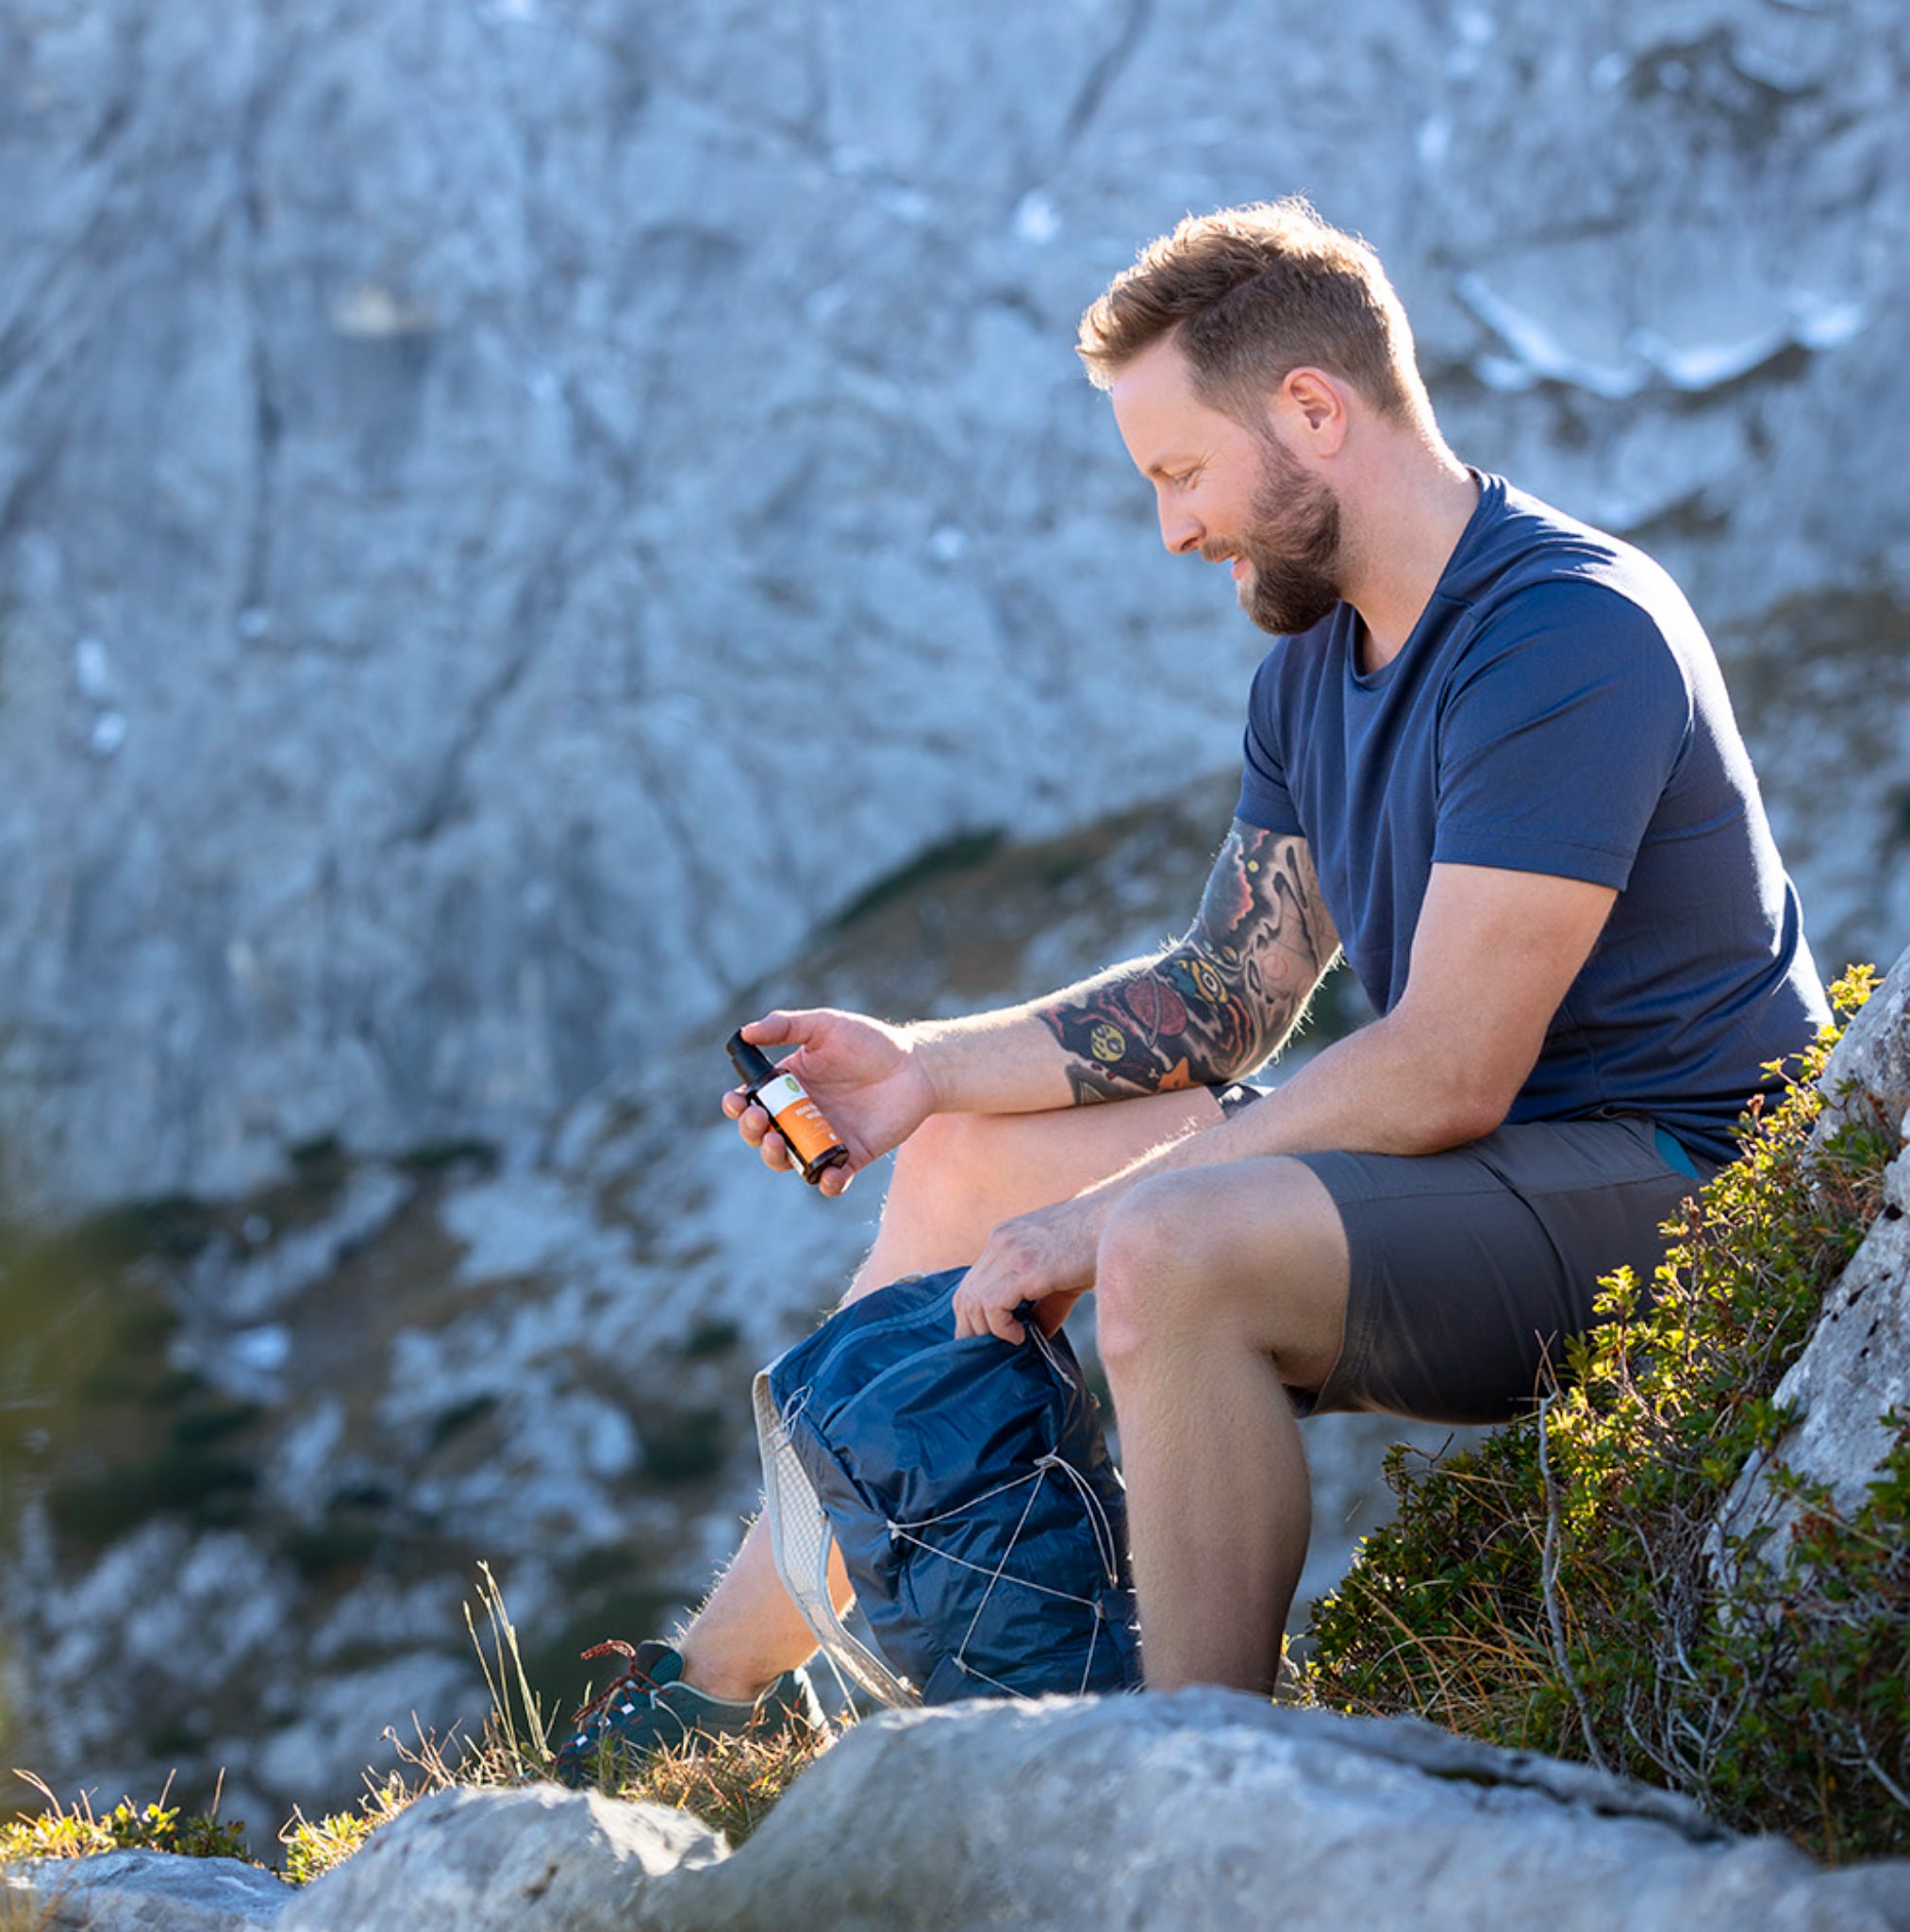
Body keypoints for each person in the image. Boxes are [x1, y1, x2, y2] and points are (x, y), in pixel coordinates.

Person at [553, 197, 1829, 1764]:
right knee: (976, 1156)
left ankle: (1186, 1788)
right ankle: (704, 1702)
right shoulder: (1312, 667)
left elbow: (1446, 1069)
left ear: (1314, 411)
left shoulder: (1566, 632)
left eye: (1180, 473)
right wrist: (927, 1071)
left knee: (1165, 1247)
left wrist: (1099, 1227)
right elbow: (1229, 990)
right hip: (1495, 1179)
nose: (1172, 529)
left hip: (1685, 1189)